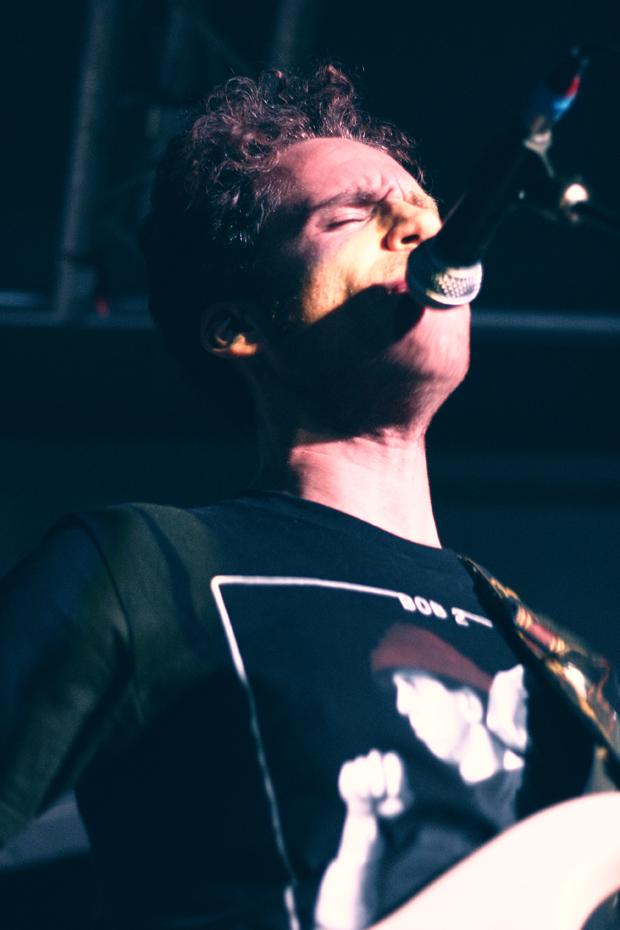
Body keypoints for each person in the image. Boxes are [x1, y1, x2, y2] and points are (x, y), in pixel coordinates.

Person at [0, 64, 617, 930]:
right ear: (239, 328)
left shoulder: (565, 668)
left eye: (424, 208)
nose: (420, 226)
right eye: (351, 217)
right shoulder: (144, 570)